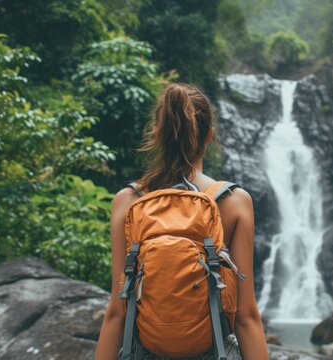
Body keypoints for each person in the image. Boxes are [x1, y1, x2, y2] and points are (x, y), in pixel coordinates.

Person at [95, 83, 269, 360]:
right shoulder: (235, 201)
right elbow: (245, 317)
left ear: (156, 132)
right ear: (209, 136)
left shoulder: (127, 201)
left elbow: (118, 312)